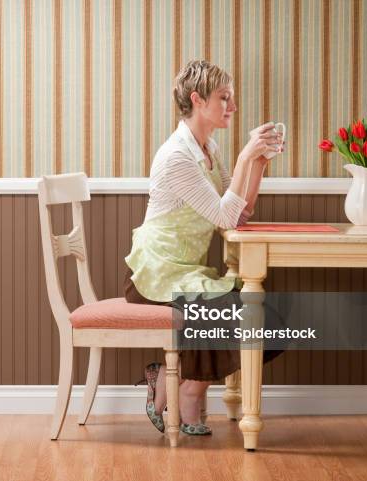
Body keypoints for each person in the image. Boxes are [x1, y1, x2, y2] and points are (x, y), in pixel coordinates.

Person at [124, 60, 285, 436]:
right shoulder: (177, 156)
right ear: (197, 100)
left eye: (231, 98)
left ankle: (180, 384)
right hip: (156, 273)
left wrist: (258, 162)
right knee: (231, 310)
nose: (232, 106)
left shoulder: (208, 147)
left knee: (266, 321)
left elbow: (240, 212)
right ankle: (186, 392)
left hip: (186, 272)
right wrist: (247, 155)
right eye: (224, 98)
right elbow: (224, 218)